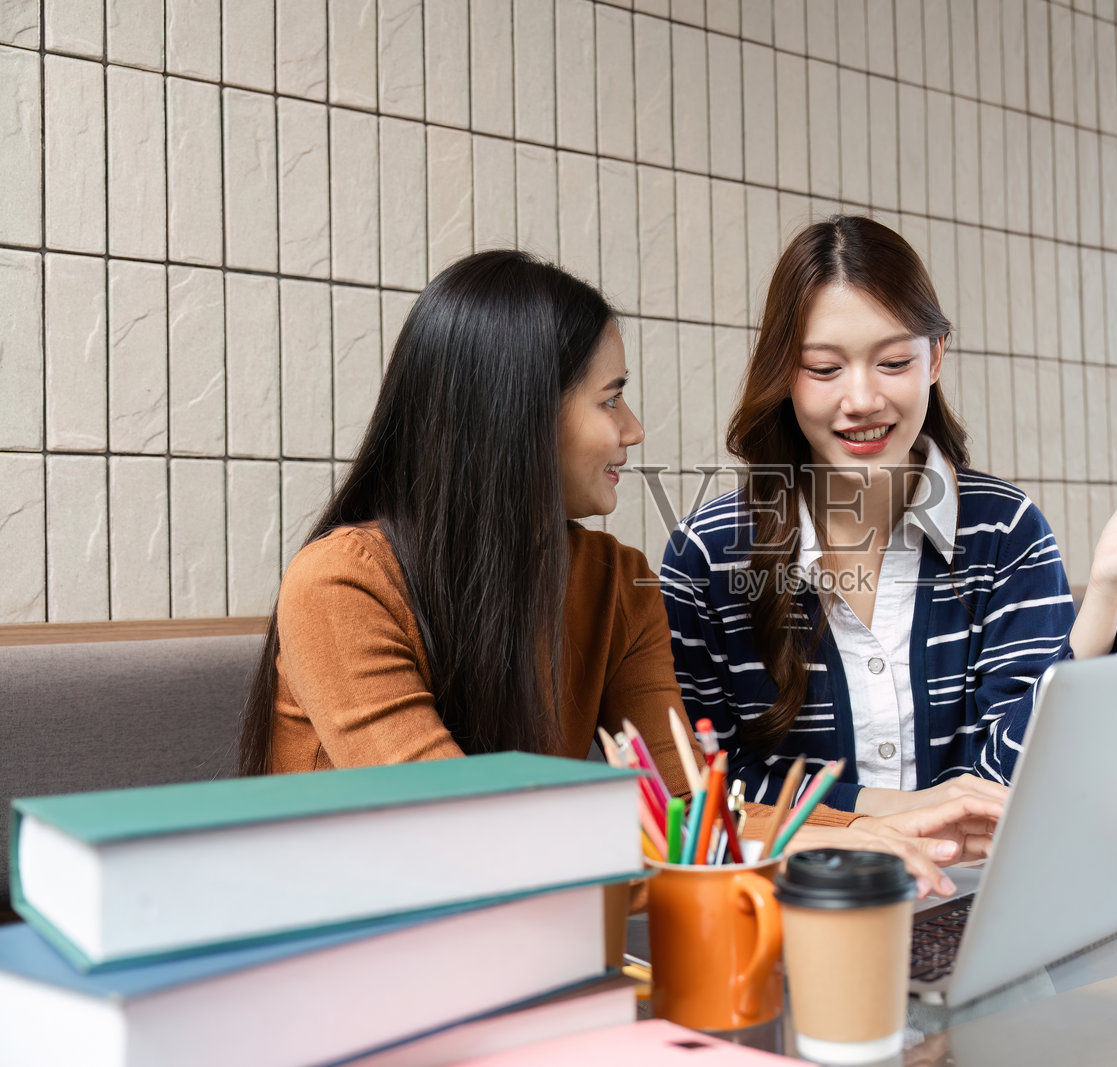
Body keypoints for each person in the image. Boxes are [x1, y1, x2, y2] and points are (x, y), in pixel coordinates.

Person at [236, 249, 998, 896]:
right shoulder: (340, 585)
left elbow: (685, 809)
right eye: (611, 399)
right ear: (519, 417)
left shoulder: (613, 580)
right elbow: (463, 833)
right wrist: (803, 845)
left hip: (524, 947)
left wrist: (865, 828)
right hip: (345, 963)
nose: (633, 429)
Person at [661, 216, 1117, 816]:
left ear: (935, 357)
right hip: (797, 900)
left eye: (893, 363)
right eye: (825, 369)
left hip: (976, 894)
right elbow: (702, 783)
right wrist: (896, 811)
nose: (861, 400)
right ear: (784, 374)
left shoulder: (1005, 530)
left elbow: (1017, 779)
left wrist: (1109, 588)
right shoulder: (708, 555)